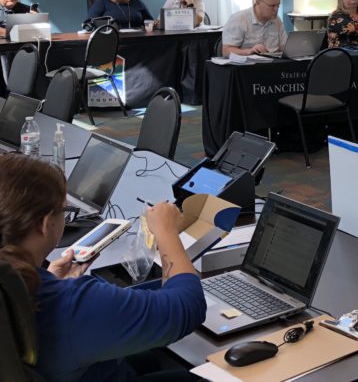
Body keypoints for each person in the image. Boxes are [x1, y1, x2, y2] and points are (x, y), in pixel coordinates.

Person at [0, 152, 205, 381]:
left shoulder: (17, 285)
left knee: (146, 359)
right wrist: (166, 231)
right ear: (46, 224)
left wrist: (47, 280)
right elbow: (188, 307)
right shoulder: (68, 303)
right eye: (64, 211)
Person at [221, 0, 286, 56]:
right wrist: (250, 51)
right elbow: (226, 51)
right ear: (258, 3)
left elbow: (284, 46)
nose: (276, 9)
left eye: (278, 5)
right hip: (248, 61)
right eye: (272, 6)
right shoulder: (239, 19)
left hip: (273, 61)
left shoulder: (276, 20)